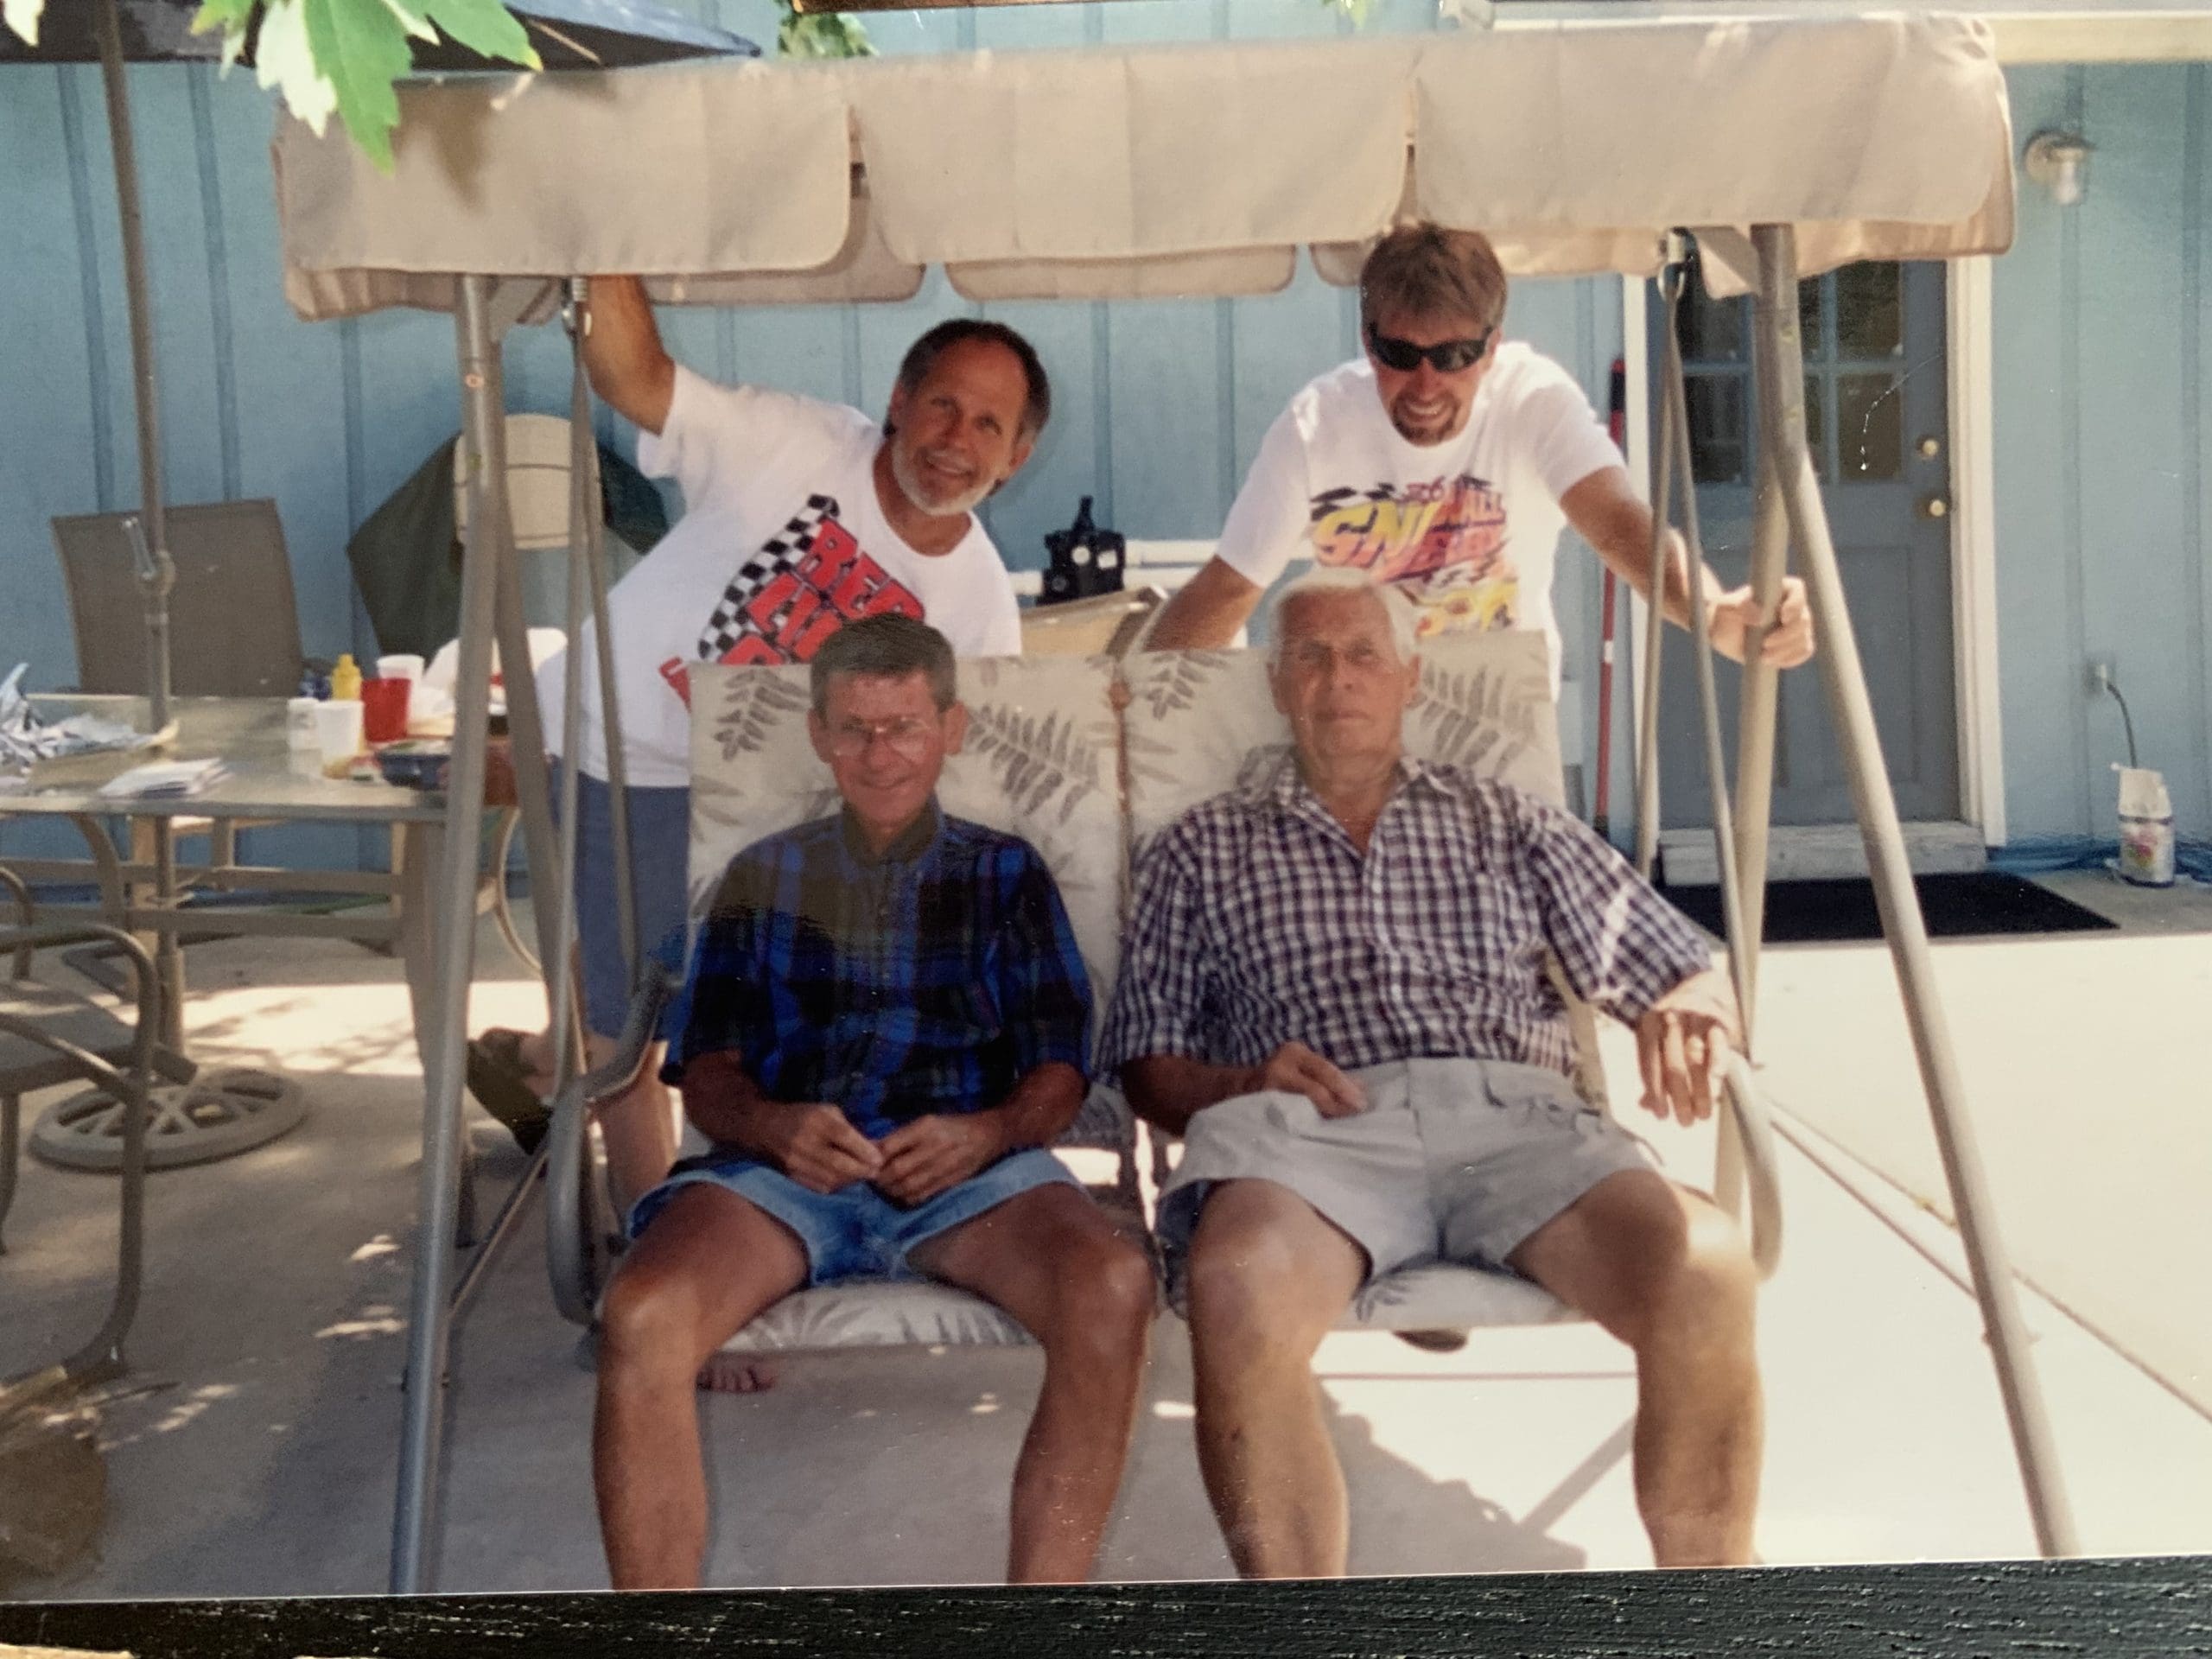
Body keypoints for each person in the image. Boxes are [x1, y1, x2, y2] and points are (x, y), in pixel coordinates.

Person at [1103, 570, 1762, 1577]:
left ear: (1410, 677)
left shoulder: (1503, 819)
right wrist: (1239, 1084)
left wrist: (1689, 1002)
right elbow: (1147, 1069)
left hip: (1517, 1124)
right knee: (1236, 1285)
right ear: (1276, 684)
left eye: (1363, 654)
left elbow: (1673, 961)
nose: (1338, 678)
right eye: (1309, 657)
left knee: (1705, 1270)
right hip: (1311, 1135)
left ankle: (1716, 1614)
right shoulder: (1199, 848)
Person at [467, 279, 1052, 1389]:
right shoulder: (795, 441)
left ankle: (537, 1071)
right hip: (624, 748)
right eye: (940, 404)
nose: (955, 438)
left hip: (780, 803)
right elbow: (635, 378)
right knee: (627, 1028)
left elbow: (948, 765)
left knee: (725, 1016)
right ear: (897, 400)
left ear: (1015, 456)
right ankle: (654, 1261)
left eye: (988, 424)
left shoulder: (976, 597)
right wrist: (607, 252)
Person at [592, 615, 1155, 1591]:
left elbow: (1060, 1070)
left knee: (1110, 1286)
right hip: (784, 1179)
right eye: (854, 729)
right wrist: (773, 1127)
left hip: (969, 1180)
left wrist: (988, 1134)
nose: (880, 755)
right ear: (818, 734)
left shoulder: (1006, 873)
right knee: (641, 1314)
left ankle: (1040, 1618)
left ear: (950, 729)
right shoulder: (763, 874)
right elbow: (708, 1071)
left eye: (903, 727)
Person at [1143, 222, 1815, 683]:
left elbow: (1615, 522)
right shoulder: (1317, 421)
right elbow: (1231, 586)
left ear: (1492, 347)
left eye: (1454, 356)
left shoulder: (1533, 396)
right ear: (1368, 340)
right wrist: (1132, 699)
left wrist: (1714, 613)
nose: (1426, 384)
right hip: (1360, 730)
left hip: (1503, 730)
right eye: (1400, 354)